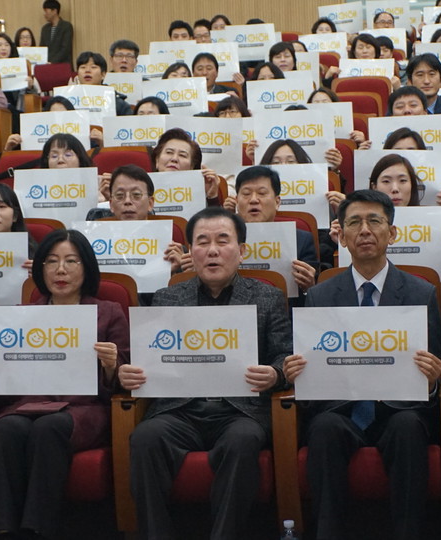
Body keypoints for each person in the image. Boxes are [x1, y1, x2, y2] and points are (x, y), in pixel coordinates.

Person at [118, 206, 292, 540]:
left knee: (243, 441)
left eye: (222, 241)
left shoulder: (267, 297)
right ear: (190, 252)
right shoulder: (168, 298)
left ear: (241, 251)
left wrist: (275, 374)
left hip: (239, 411)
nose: (212, 250)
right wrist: (131, 373)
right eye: (202, 242)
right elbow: (148, 359)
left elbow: (285, 353)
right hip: (180, 410)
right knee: (145, 437)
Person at [283, 189, 441, 540]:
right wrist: (300, 374)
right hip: (342, 409)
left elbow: (432, 378)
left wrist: (432, 379)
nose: (365, 230)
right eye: (354, 222)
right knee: (324, 427)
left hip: (399, 409)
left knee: (407, 426)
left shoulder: (421, 293)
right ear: (340, 234)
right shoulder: (321, 295)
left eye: (375, 221)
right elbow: (314, 368)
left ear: (393, 232)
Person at [0, 229, 127, 538]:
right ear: (40, 269)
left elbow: (122, 382)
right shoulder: (19, 317)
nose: (60, 270)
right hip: (25, 405)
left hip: (82, 409)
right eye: (51, 261)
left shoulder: (108, 313)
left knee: (49, 428)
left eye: (70, 261)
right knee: (7, 427)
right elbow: (1, 385)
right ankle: (4, 529)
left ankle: (38, 530)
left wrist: (111, 365)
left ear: (86, 267)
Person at [230, 165, 320, 295]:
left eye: (262, 193)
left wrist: (309, 287)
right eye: (246, 194)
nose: (254, 200)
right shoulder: (223, 241)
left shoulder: (300, 240)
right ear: (237, 201)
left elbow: (307, 295)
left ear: (277, 202)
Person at [151, 128, 220, 206]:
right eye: (169, 152)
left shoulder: (201, 194)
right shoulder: (142, 188)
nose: (174, 159)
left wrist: (212, 198)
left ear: (192, 166)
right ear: (157, 160)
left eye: (182, 155)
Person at [39, 0, 74, 67]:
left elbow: (65, 49)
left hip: (63, 66)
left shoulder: (66, 26)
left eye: (46, 11)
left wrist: (52, 62)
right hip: (47, 66)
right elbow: (42, 48)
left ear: (54, 11)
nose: (45, 14)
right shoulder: (45, 29)